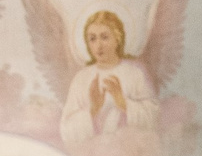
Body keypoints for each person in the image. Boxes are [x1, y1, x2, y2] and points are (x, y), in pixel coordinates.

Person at [60, 10, 159, 140]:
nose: (98, 45)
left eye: (105, 37)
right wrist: (93, 109)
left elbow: (154, 118)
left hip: (129, 149)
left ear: (117, 39)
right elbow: (65, 129)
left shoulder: (134, 74)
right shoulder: (81, 79)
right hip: (92, 152)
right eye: (92, 38)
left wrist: (123, 102)